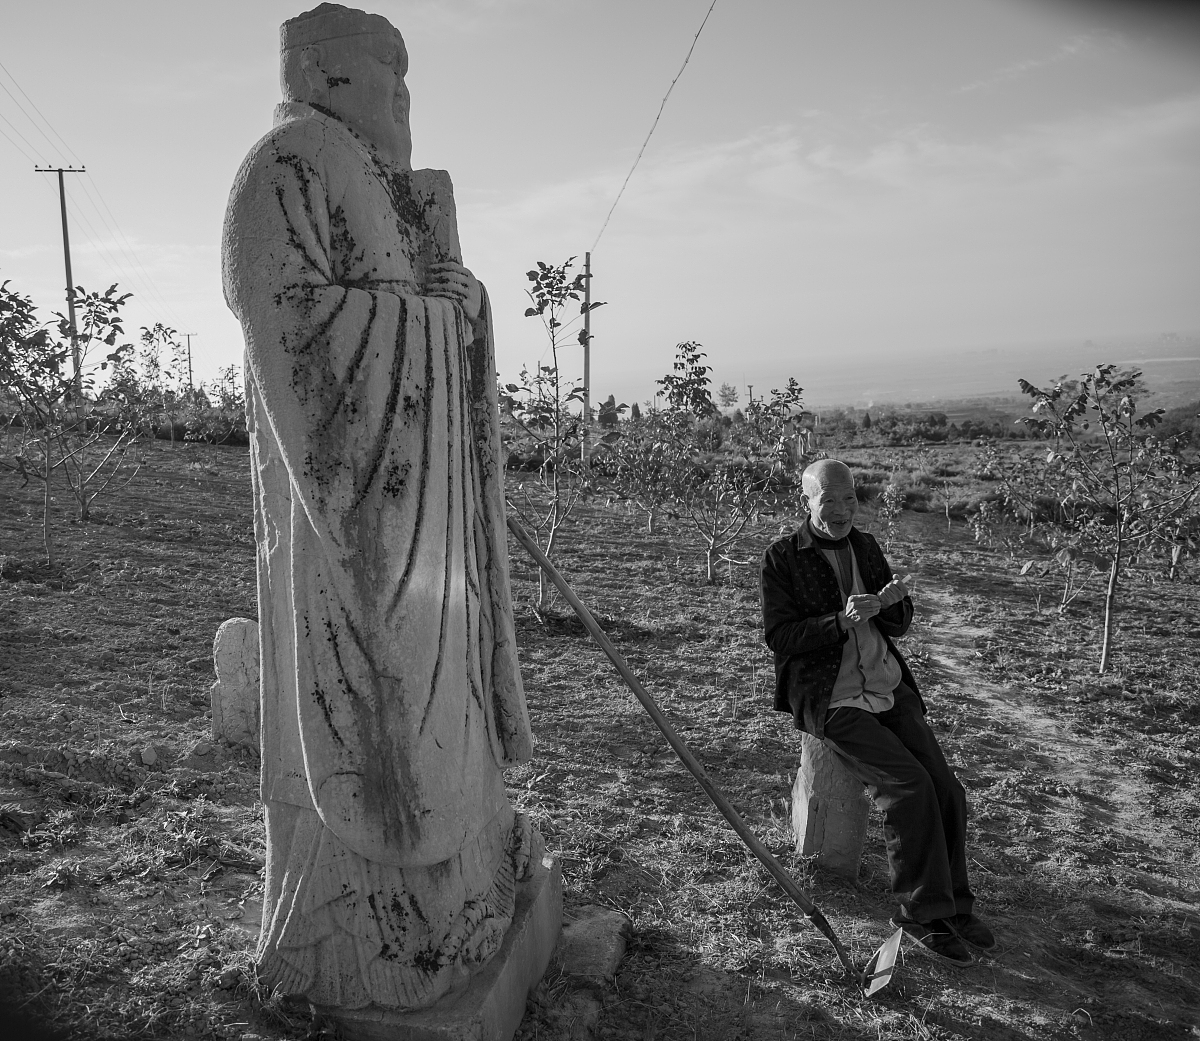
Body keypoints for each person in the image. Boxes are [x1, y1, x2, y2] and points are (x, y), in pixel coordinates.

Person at [222, 3, 536, 1015]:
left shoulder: (378, 179)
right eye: (387, 85)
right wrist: (432, 326)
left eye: (408, 88)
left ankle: (471, 883)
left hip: (433, 528)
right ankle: (372, 931)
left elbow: (436, 307)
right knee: (388, 731)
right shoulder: (286, 164)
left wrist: (465, 308)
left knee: (451, 722)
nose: (402, 106)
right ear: (328, 77)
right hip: (347, 548)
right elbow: (299, 337)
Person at [760, 459, 994, 966]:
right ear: (807, 501)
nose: (843, 510)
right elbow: (780, 638)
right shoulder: (782, 557)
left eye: (850, 500)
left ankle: (954, 904)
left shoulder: (866, 546)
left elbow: (897, 625)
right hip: (832, 696)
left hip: (886, 686)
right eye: (830, 500)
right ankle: (920, 914)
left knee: (947, 789)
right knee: (908, 787)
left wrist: (893, 604)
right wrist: (839, 622)